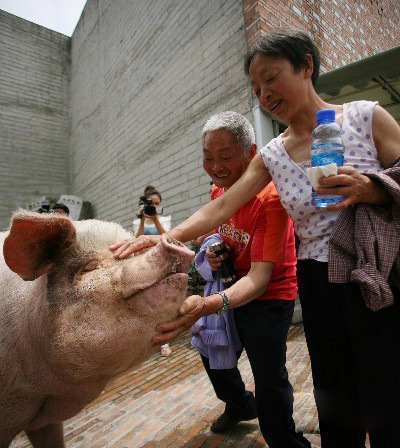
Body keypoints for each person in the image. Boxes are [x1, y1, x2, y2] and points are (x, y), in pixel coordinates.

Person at [111, 30, 400, 447]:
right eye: (255, 87)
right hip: (318, 281)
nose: (264, 93)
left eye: (271, 77)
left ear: (305, 66)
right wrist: (161, 238)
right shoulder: (273, 154)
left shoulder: (365, 117)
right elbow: (219, 209)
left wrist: (370, 189)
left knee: (387, 390)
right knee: (336, 397)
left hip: (377, 272)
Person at [187, 112, 309, 446]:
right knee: (211, 349)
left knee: (269, 376)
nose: (216, 166)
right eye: (208, 157)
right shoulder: (219, 191)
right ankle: (240, 404)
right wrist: (215, 250)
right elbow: (222, 232)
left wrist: (207, 304)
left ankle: (284, 439)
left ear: (250, 152)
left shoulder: (269, 199)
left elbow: (259, 278)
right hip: (231, 286)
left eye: (225, 157)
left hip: (269, 295)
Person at [133, 184, 172, 357]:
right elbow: (136, 240)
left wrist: (155, 219)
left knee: (163, 303)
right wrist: (142, 219)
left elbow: (168, 238)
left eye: (157, 204)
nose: (153, 207)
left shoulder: (165, 220)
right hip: (144, 264)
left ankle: (165, 342)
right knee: (146, 303)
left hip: (162, 264)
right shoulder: (137, 221)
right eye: (151, 204)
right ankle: (149, 339)